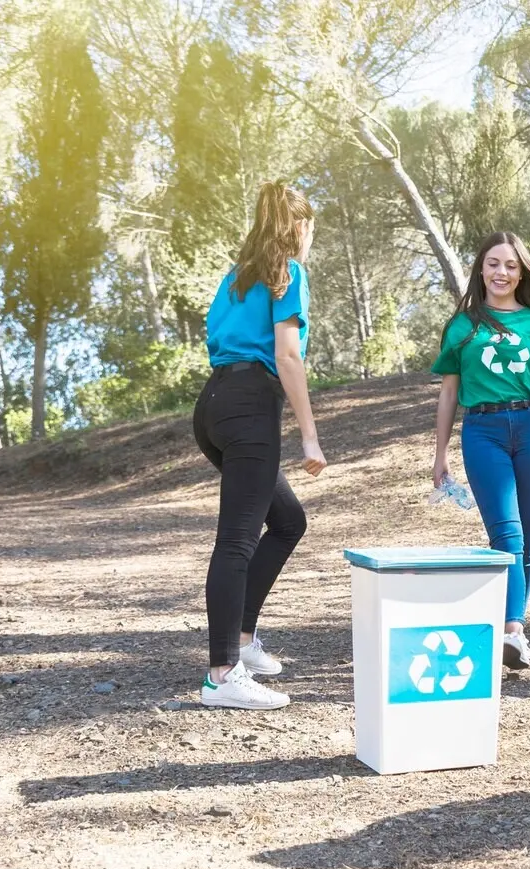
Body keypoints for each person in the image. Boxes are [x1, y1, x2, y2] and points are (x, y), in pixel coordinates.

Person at [192, 181, 327, 710]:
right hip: (250, 407)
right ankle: (222, 675)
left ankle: (243, 643)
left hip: (214, 405)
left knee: (289, 521)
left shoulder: (234, 279)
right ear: (299, 227)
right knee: (236, 541)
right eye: (309, 228)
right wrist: (310, 435)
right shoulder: (288, 275)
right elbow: (288, 356)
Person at [431, 232, 530, 671]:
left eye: (511, 265)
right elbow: (449, 393)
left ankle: (516, 626)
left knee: (529, 541)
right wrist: (440, 455)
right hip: (483, 431)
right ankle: (511, 630)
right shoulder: (462, 325)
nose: (501, 272)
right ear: (480, 269)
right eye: (493, 263)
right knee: (506, 535)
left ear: (521, 272)